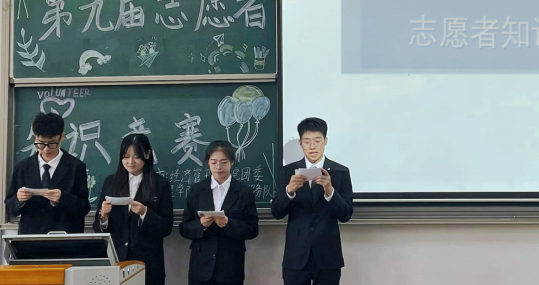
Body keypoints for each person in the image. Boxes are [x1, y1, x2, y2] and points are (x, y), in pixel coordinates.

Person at [271, 117, 354, 285]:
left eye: (317, 140)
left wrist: (330, 191)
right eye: (307, 141)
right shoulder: (287, 172)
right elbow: (276, 212)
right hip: (296, 256)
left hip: (328, 256)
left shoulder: (340, 172)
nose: (312, 146)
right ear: (300, 144)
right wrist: (289, 191)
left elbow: (346, 215)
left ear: (325, 141)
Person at [93, 134, 172, 285]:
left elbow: (166, 227)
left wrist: (145, 213)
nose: (130, 162)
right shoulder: (111, 182)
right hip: (117, 259)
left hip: (147, 262)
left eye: (136, 156)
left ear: (147, 154)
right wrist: (103, 216)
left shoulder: (160, 184)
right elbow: (97, 228)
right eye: (126, 156)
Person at [180, 140, 259, 285]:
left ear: (232, 162)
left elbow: (253, 230)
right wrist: (201, 225)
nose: (218, 167)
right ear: (208, 163)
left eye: (224, 162)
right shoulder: (196, 190)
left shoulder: (244, 192)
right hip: (201, 267)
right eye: (213, 162)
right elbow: (184, 228)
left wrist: (228, 224)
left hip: (230, 266)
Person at [5, 112, 91, 234]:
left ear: (62, 137)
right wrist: (19, 200)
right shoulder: (22, 168)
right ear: (34, 137)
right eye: (40, 143)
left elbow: (84, 207)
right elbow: (10, 208)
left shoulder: (76, 167)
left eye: (52, 143)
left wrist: (63, 198)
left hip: (65, 238)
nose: (46, 149)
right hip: (30, 238)